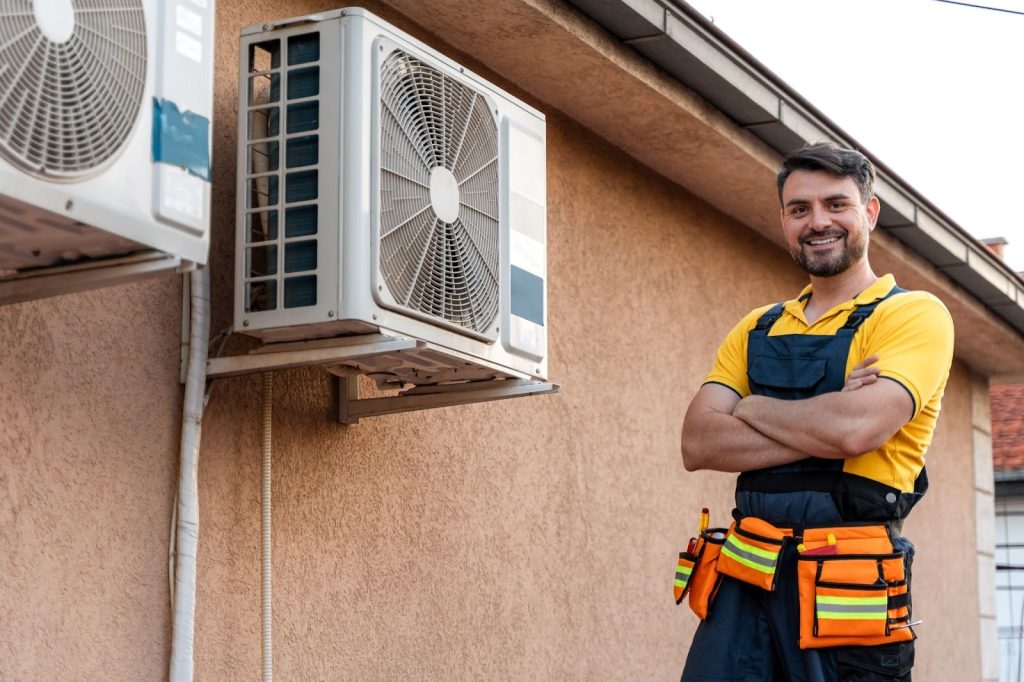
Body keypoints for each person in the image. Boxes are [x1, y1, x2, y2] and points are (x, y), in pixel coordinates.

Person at [678, 142, 954, 681]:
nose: (818, 221)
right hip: (743, 591)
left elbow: (856, 428)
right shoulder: (757, 326)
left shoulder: (914, 315)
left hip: (849, 595)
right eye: (799, 209)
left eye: (836, 204)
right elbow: (698, 442)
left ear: (869, 212)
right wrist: (825, 420)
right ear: (783, 220)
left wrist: (752, 406)